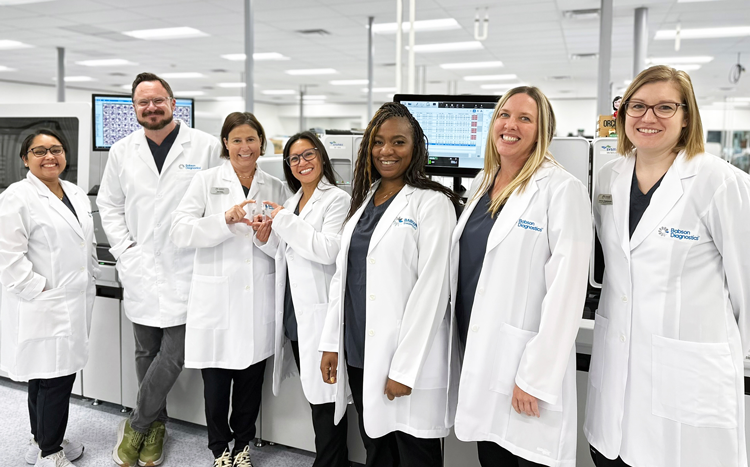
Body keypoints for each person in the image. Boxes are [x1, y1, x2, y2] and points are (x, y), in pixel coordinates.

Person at [585, 65, 750, 467]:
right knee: (611, 456)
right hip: (617, 370)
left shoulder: (720, 182)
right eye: (637, 106)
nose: (648, 118)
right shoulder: (609, 178)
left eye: (664, 107)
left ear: (686, 116)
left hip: (689, 378)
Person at [450, 86, 592, 467]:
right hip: (480, 351)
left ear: (542, 129)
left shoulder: (562, 190)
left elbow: (567, 292)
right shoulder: (483, 182)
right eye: (504, 115)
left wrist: (535, 376)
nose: (510, 125)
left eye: (525, 118)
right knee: (491, 456)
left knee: (525, 458)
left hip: (523, 365)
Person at [319, 102, 458, 467]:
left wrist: (404, 369)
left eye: (398, 142)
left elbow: (433, 292)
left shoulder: (433, 204)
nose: (387, 151)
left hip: (404, 357)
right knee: (377, 449)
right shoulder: (365, 199)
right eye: (379, 142)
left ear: (416, 148)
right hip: (359, 350)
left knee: (415, 454)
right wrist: (331, 343)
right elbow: (343, 278)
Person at [97, 72, 222, 467]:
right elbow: (110, 205)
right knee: (145, 349)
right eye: (142, 103)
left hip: (188, 267)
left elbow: (219, 200)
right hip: (139, 266)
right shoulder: (122, 151)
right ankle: (157, 426)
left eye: (157, 100)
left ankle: (138, 422)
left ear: (172, 101)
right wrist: (125, 250)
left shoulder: (203, 146)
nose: (151, 108)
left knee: (174, 352)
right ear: (135, 108)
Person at [170, 111, 290, 467]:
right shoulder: (206, 181)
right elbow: (180, 231)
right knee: (218, 381)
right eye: (236, 139)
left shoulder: (274, 185)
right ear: (225, 143)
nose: (244, 146)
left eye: (251, 139)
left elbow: (282, 243)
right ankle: (219, 447)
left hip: (257, 298)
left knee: (251, 379)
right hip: (218, 299)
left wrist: (266, 237)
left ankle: (243, 445)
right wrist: (225, 219)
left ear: (261, 143)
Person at [0, 129, 98, 467]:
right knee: (55, 377)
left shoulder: (73, 192)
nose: (49, 156)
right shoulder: (17, 196)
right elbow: (8, 257)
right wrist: (40, 289)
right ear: (25, 158)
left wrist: (91, 272)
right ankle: (50, 453)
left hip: (73, 298)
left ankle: (41, 439)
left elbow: (85, 241)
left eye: (55, 149)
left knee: (44, 375)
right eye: (39, 151)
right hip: (46, 301)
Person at [253, 131, 351, 467]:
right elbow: (286, 252)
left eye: (308, 155)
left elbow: (328, 251)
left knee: (327, 399)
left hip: (320, 315)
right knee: (316, 397)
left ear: (321, 157)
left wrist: (282, 220)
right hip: (296, 313)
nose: (302, 163)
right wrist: (265, 238)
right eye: (294, 158)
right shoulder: (294, 202)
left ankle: (329, 462)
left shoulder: (337, 199)